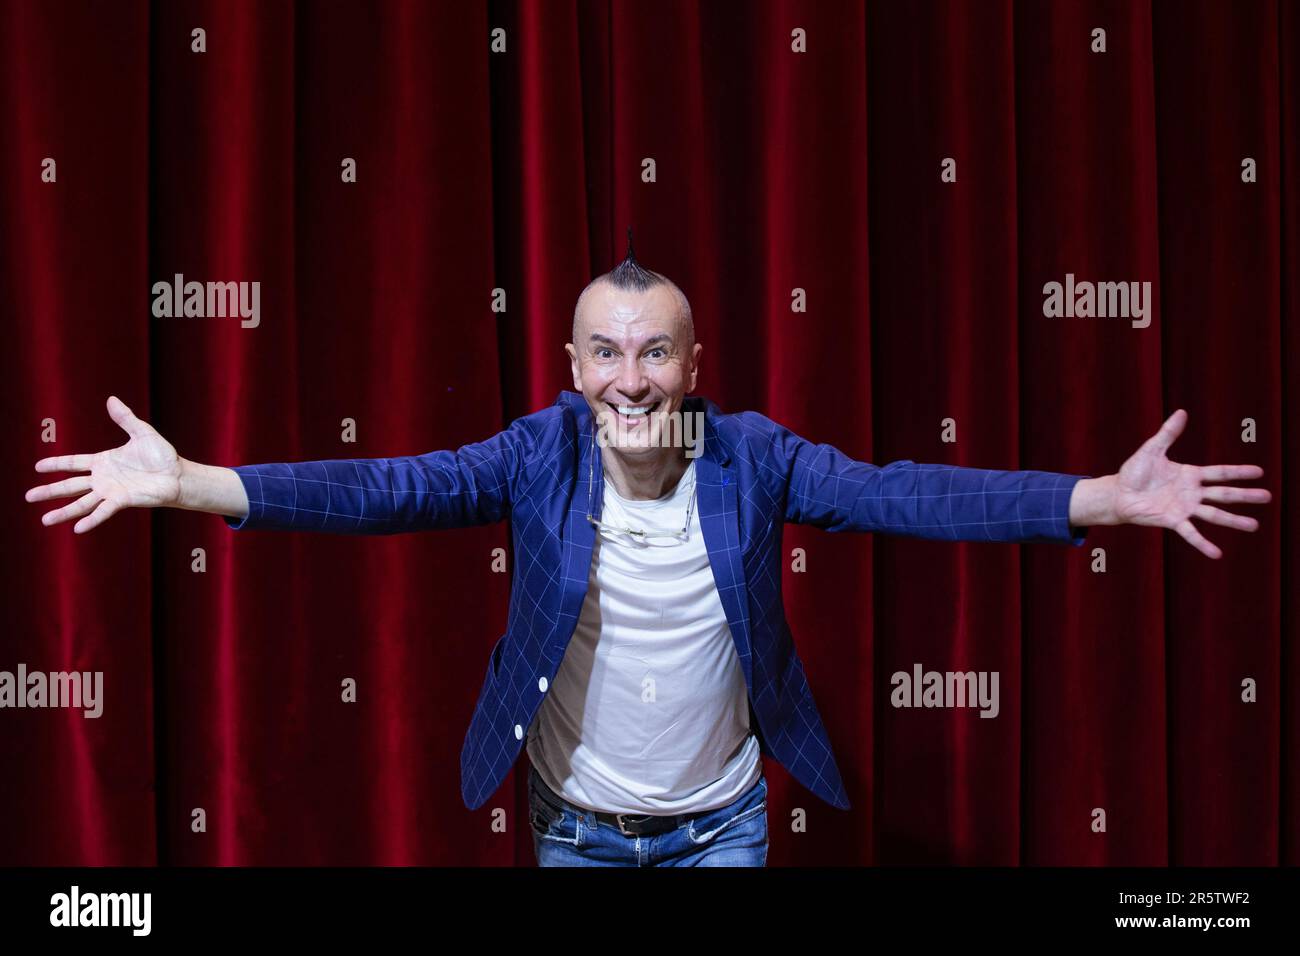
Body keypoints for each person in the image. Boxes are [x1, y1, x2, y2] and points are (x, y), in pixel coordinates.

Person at [25, 240, 1272, 867]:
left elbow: (909, 495)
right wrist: (188, 480)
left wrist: (1098, 498)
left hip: (722, 826)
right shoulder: (537, 456)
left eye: (656, 352)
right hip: (571, 826)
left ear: (692, 366)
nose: (632, 379)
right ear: (573, 370)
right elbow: (386, 486)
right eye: (606, 354)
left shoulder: (754, 459)